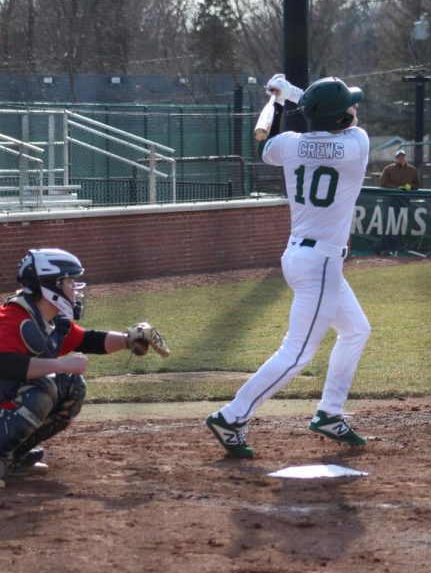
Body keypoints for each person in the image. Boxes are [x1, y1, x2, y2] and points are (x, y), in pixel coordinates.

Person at [206, 74, 372, 460]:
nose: (355, 108)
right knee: (297, 353)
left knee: (356, 330)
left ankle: (329, 412)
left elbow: (270, 145)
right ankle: (232, 416)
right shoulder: (356, 145)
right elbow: (335, 124)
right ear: (339, 118)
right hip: (322, 263)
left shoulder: (286, 145)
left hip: (298, 256)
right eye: (350, 105)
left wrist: (280, 102)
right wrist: (293, 96)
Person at [0, 248, 169, 487]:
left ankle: (10, 456)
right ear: (52, 285)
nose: (75, 288)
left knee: (72, 385)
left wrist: (128, 338)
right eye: (70, 281)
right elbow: (4, 364)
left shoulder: (49, 322)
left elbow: (89, 340)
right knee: (44, 385)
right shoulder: (12, 318)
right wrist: (60, 363)